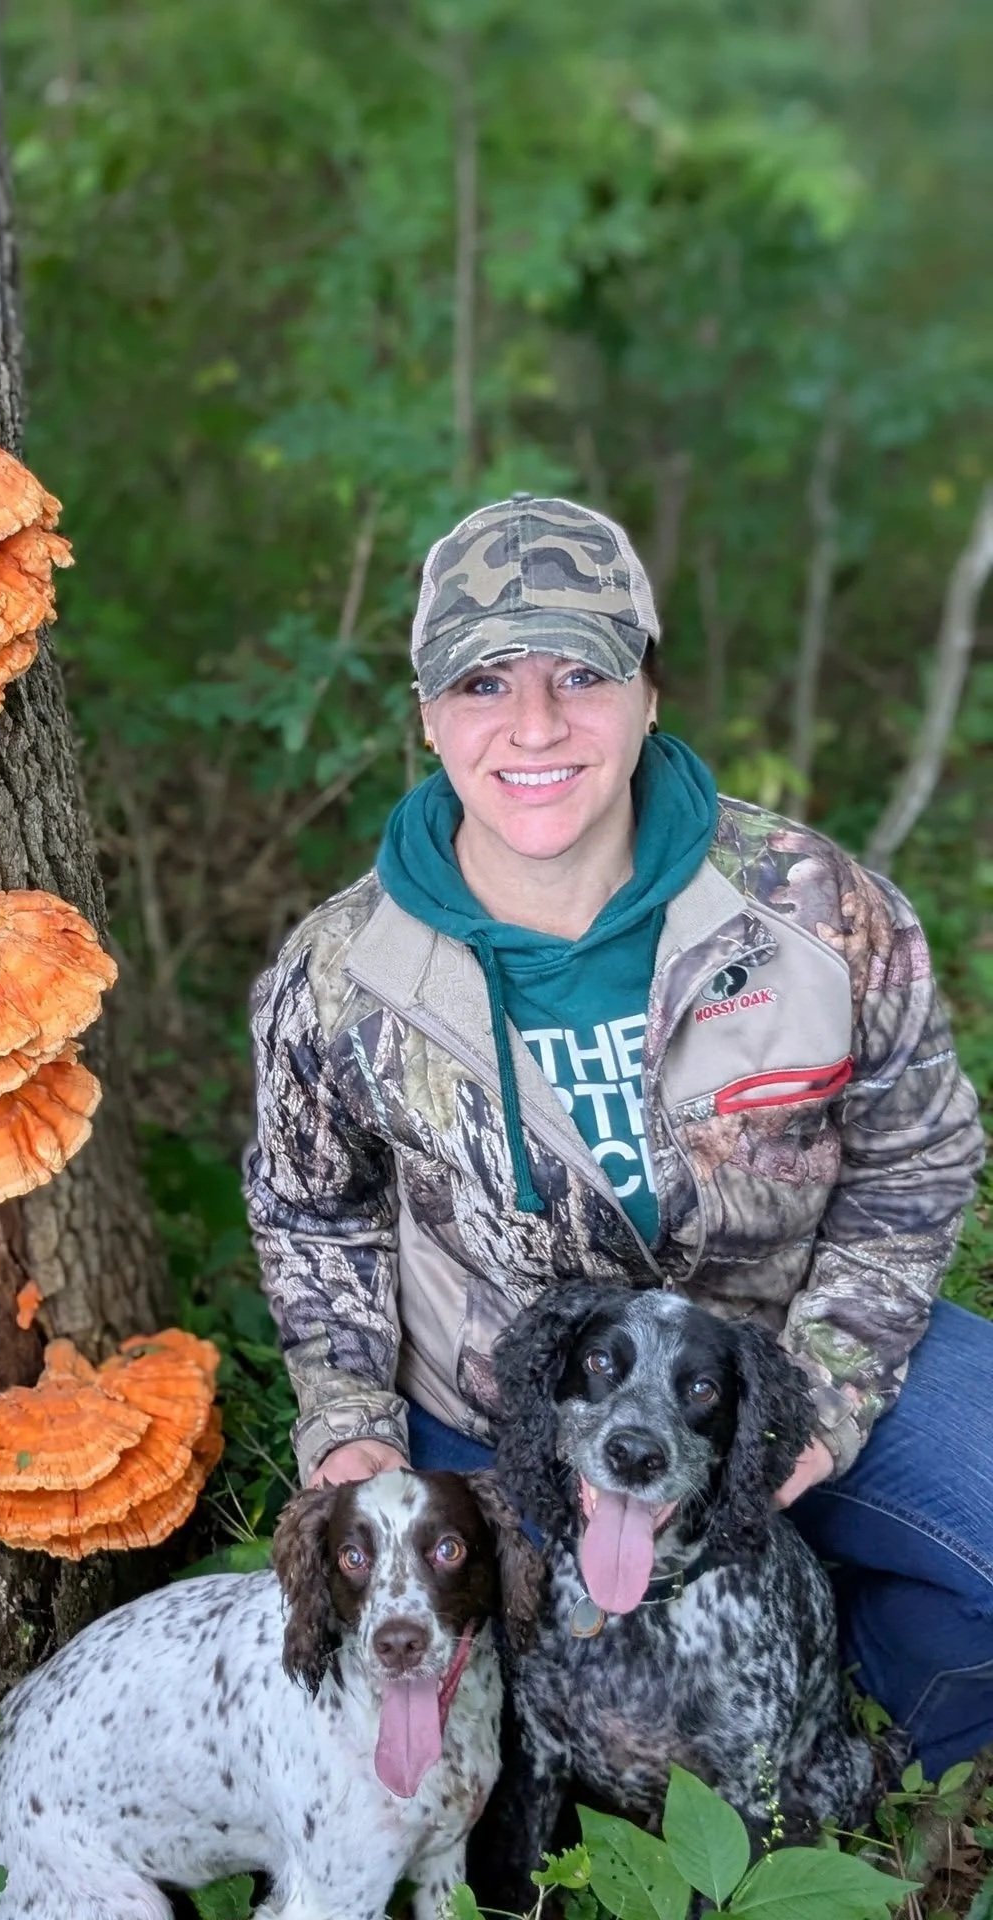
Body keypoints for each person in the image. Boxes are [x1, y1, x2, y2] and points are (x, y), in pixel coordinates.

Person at [245, 494, 990, 1776]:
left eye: (580, 672)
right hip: (503, 1409)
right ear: (428, 716)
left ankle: (862, 1720)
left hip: (782, 1359)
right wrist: (349, 1417)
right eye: (483, 680)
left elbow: (913, 1160)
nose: (535, 725)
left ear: (648, 691)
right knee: (408, 1709)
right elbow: (318, 1212)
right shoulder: (340, 975)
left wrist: (825, 1392)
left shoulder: (817, 913)